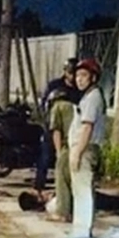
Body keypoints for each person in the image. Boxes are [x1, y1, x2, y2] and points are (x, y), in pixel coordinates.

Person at [61, 58, 105, 238]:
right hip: (85, 148)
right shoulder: (88, 96)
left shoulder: (93, 97)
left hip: (85, 149)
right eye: (78, 75)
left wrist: (77, 153)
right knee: (83, 190)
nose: (79, 79)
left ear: (93, 77)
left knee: (82, 191)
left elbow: (87, 127)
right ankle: (83, 229)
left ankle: (81, 231)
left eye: (84, 75)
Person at [35, 59, 80, 198]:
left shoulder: (79, 90)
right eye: (70, 73)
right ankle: (38, 188)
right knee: (45, 157)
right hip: (52, 127)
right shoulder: (54, 86)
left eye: (75, 73)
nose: (73, 77)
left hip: (70, 130)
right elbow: (44, 105)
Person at [44, 87, 75, 223]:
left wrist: (58, 152)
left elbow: (56, 131)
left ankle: (62, 213)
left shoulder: (57, 107)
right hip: (80, 145)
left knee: (61, 178)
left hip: (67, 145)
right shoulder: (74, 106)